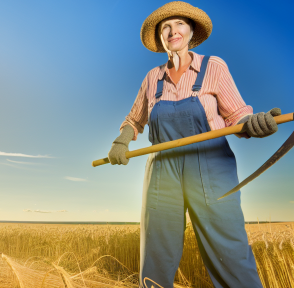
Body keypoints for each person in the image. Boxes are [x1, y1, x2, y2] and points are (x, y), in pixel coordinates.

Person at [107, 2, 279, 287]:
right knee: (156, 254)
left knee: (230, 250)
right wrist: (121, 140)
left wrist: (256, 124)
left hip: (211, 166)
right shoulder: (152, 78)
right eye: (166, 27)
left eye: (179, 25)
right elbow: (134, 119)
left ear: (191, 31)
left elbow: (238, 116)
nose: (172, 31)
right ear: (160, 37)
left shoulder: (214, 67)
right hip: (163, 169)